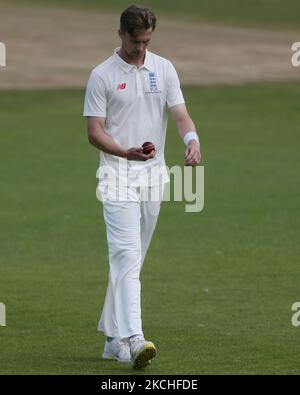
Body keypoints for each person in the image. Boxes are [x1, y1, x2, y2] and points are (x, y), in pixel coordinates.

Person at [83, 4, 201, 370]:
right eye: (136, 42)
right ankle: (133, 339)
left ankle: (110, 338)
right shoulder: (101, 75)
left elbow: (179, 113)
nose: (141, 48)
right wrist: (125, 152)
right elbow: (94, 132)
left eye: (147, 41)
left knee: (130, 262)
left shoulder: (162, 68)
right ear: (121, 34)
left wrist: (192, 139)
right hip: (117, 178)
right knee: (126, 259)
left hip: (154, 181)